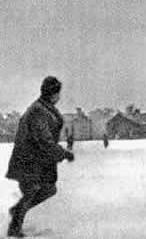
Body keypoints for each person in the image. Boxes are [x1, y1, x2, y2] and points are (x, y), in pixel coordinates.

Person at [6, 76, 75, 237]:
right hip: (28, 160)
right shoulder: (38, 111)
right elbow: (45, 140)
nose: (59, 96)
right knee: (33, 189)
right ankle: (14, 228)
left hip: (38, 160)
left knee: (49, 188)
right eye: (58, 93)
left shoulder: (45, 108)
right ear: (53, 93)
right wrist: (63, 153)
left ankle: (17, 211)